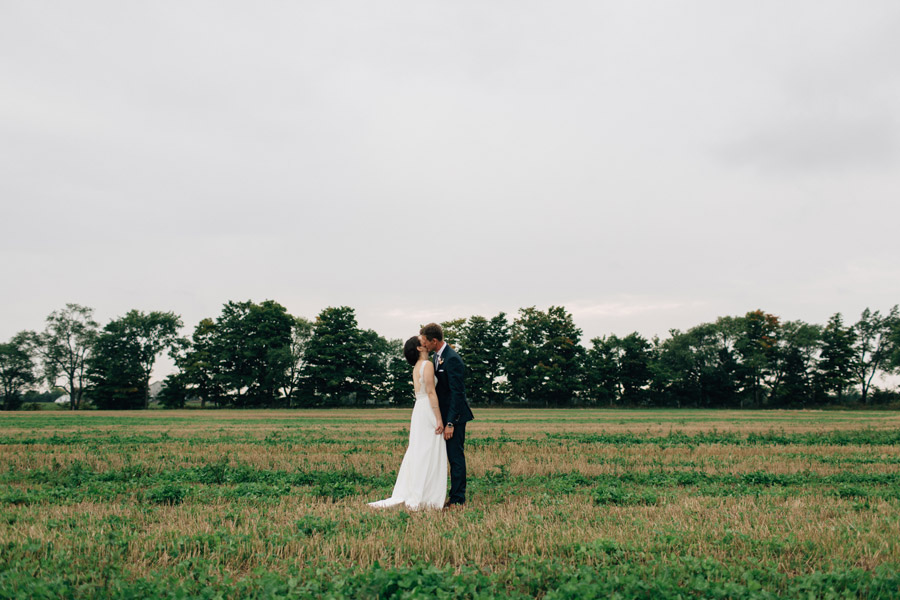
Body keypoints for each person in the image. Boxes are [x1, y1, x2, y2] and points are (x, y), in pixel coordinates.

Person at [368, 336, 447, 510]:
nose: (425, 342)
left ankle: (419, 489)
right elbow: (432, 393)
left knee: (419, 450)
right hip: (427, 409)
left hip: (419, 409)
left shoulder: (417, 367)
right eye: (422, 341)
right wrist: (439, 419)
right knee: (429, 450)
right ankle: (427, 494)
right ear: (419, 348)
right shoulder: (427, 365)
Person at [419, 322, 474, 507]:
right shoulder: (436, 356)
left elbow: (457, 394)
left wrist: (450, 423)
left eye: (425, 342)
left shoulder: (452, 359)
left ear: (434, 340)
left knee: (455, 457)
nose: (424, 345)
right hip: (443, 416)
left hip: (455, 417)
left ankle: (458, 499)